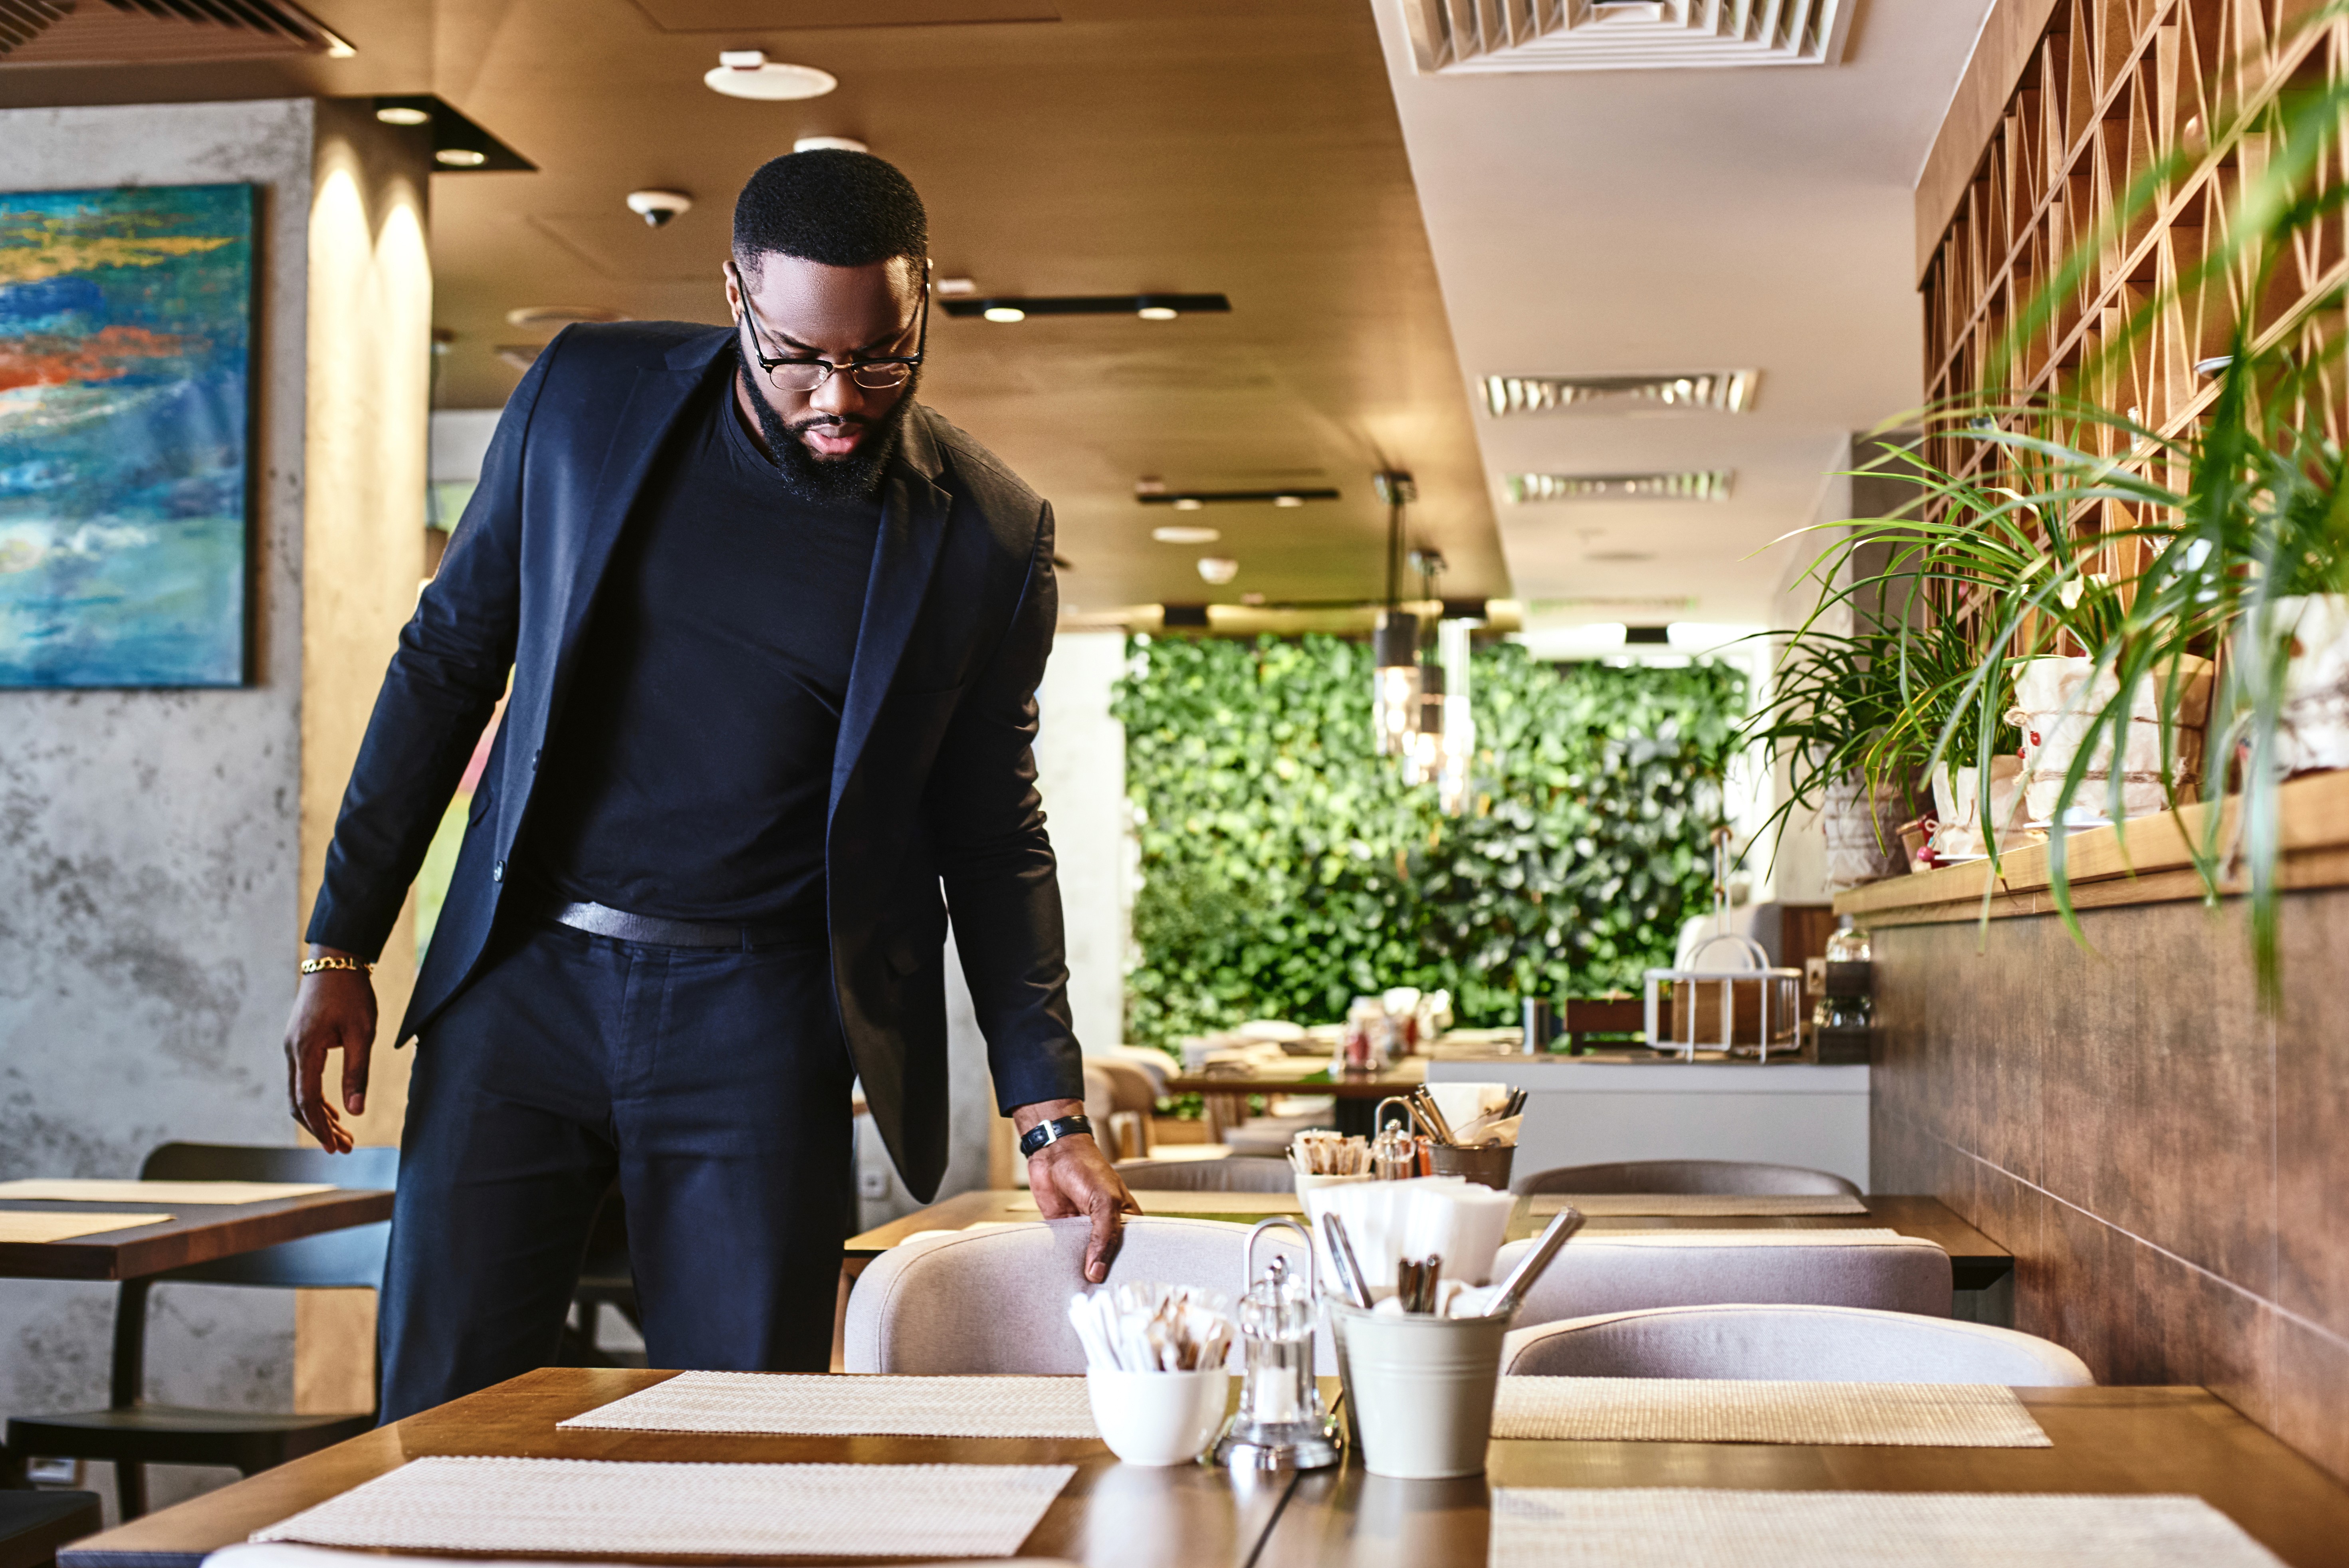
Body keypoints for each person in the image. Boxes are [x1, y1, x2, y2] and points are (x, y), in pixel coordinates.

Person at [281, 150, 1137, 1421]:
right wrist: (341, 945)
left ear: (924, 301)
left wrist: (1048, 1109)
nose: (836, 398)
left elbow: (992, 830)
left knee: (743, 1422)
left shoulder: (988, 535)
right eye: (796, 357)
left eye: (880, 358)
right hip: (523, 989)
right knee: (441, 1407)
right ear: (734, 291)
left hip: (759, 1015)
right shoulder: (585, 397)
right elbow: (450, 659)